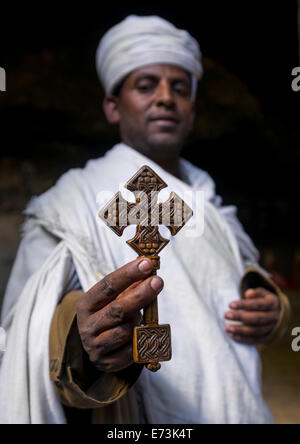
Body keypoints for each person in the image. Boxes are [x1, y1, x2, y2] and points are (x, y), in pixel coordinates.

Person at [0, 15, 290, 424]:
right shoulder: (70, 203)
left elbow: (240, 273)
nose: (166, 98)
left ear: (192, 109)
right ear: (113, 107)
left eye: (180, 87)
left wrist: (272, 311)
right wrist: (81, 343)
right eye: (146, 85)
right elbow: (22, 332)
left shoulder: (209, 201)